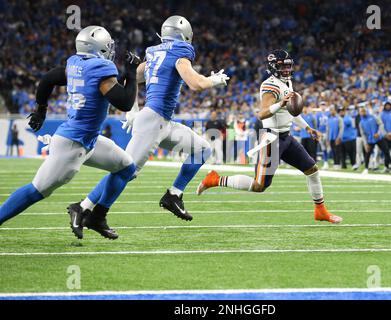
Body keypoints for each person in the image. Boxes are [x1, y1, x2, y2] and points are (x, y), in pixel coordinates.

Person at [77, 16, 229, 222]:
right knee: (126, 171)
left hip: (160, 122)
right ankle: (83, 206)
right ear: (185, 35)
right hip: (153, 121)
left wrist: (133, 110)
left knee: (202, 149)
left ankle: (174, 195)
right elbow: (196, 84)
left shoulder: (155, 54)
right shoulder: (180, 53)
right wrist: (214, 80)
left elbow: (130, 77)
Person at [0, 26, 138, 241]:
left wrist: (41, 109)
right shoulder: (101, 69)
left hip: (86, 139)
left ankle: (96, 217)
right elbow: (125, 102)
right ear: (99, 48)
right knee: (37, 190)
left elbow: (48, 78)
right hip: (73, 144)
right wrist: (131, 72)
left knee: (126, 168)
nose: (111, 49)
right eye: (108, 45)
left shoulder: (75, 63)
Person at [196, 50, 342, 224]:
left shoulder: (286, 81)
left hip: (286, 137)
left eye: (288, 65)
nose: (287, 69)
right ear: (273, 67)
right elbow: (262, 113)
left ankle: (320, 211)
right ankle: (215, 180)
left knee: (312, 170)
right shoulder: (270, 86)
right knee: (259, 186)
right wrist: (281, 103)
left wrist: (308, 128)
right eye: (283, 66)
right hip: (272, 139)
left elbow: (292, 112)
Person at [359, 107, 391, 175]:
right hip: (370, 140)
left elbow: (381, 124)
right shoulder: (361, 122)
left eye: (364, 111)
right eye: (361, 111)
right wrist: (365, 143)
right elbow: (363, 134)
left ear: (366, 111)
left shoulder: (374, 117)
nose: (362, 113)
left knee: (386, 151)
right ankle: (366, 169)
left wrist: (378, 133)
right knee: (367, 154)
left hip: (379, 138)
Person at [316, 101, 329, 169]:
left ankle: (328, 161)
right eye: (322, 105)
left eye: (324, 105)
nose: (323, 106)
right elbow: (317, 125)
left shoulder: (328, 113)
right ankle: (326, 162)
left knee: (328, 147)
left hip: (327, 132)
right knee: (323, 148)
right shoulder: (318, 114)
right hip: (321, 133)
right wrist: (318, 133)